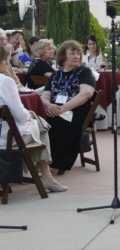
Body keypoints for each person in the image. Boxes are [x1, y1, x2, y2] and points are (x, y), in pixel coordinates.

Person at [0, 46, 67, 192]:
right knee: (41, 125)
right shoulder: (5, 81)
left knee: (36, 126)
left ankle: (38, 173)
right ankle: (46, 176)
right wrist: (29, 114)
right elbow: (20, 116)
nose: (7, 63)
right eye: (5, 59)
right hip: (5, 137)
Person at [40, 40, 95, 171]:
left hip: (76, 110)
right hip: (55, 109)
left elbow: (86, 93)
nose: (76, 56)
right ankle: (42, 161)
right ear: (63, 57)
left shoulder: (84, 72)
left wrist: (63, 109)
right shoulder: (55, 75)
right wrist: (49, 106)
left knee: (51, 123)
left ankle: (53, 161)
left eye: (78, 54)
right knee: (37, 123)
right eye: (72, 53)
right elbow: (45, 96)